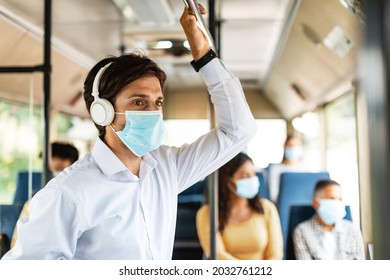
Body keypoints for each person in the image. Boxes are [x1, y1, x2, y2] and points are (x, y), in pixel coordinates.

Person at [2, 5, 256, 260]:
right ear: (103, 112)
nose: (153, 112)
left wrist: (205, 57)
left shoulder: (167, 168)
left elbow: (239, 131)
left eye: (157, 103)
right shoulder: (68, 192)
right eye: (138, 102)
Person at [196, 152, 283, 260]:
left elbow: (275, 255)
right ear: (228, 181)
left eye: (254, 174)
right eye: (245, 175)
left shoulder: (268, 209)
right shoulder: (207, 213)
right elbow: (218, 255)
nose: (252, 180)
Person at [10, 141, 79, 248]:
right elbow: (17, 244)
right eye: (48, 171)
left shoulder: (78, 201)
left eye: (59, 169)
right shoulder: (33, 203)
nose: (53, 175)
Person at [293, 179, 365, 260]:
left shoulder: (352, 230)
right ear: (315, 202)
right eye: (332, 198)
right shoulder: (302, 231)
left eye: (340, 199)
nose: (337, 203)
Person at [266, 134, 307, 203]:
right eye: (290, 146)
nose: (293, 148)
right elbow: (273, 195)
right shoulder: (275, 169)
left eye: (296, 146)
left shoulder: (306, 169)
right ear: (285, 147)